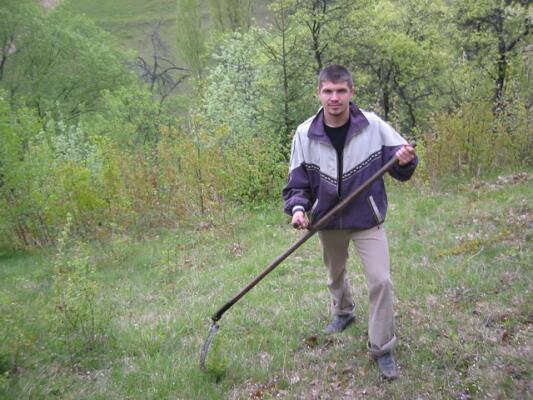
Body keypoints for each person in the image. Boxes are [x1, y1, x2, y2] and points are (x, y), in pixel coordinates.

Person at [282, 65, 417, 380]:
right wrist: (299, 209)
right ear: (319, 93)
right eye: (328, 91)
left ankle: (382, 347)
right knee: (335, 274)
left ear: (351, 92)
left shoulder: (373, 126)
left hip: (366, 218)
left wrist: (406, 161)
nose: (334, 98)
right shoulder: (305, 133)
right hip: (327, 220)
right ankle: (343, 313)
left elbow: (400, 165)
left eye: (341, 91)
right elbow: (296, 183)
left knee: (381, 280)